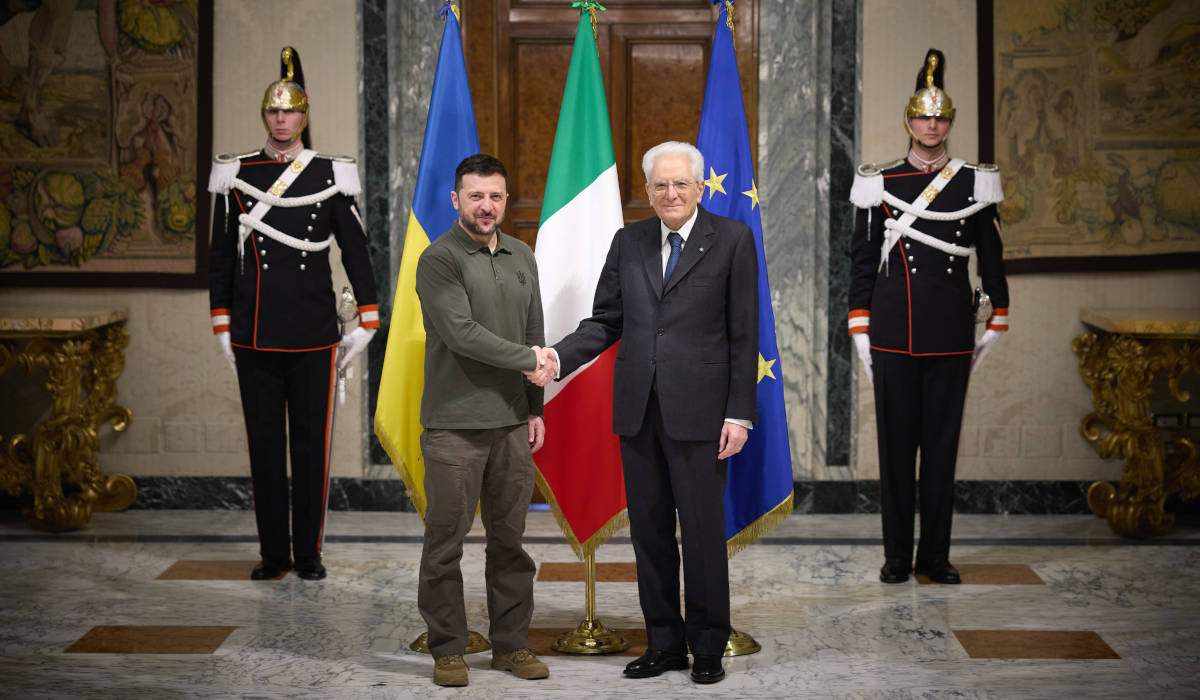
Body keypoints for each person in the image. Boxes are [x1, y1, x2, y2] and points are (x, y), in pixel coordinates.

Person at [531, 141, 758, 685]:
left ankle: (706, 644)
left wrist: (740, 413)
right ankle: (664, 644)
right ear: (649, 190)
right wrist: (559, 356)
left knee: (702, 534)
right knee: (650, 534)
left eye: (681, 184)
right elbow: (606, 320)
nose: (671, 194)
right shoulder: (628, 241)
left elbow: (745, 333)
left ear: (699, 188)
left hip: (704, 415)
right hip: (638, 412)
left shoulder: (731, 239)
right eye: (660, 185)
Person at [207, 47, 379, 582]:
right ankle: (273, 556)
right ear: (266, 117)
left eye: (291, 111)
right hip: (255, 332)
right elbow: (219, 256)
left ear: (304, 116)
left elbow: (355, 250)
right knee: (264, 450)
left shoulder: (332, 173)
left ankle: (308, 556)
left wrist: (369, 316)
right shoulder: (236, 174)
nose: (282, 119)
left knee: (310, 450)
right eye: (273, 112)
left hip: (312, 333)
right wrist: (222, 321)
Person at [847, 49, 1010, 586]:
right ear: (909, 121)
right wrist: (860, 323)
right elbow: (863, 259)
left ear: (949, 123)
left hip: (948, 332)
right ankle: (897, 557)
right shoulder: (880, 181)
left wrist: (998, 310)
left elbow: (991, 252)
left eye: (940, 117)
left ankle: (934, 558)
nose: (932, 125)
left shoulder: (974, 182)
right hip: (894, 333)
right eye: (923, 116)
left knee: (941, 454)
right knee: (896, 455)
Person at [413, 153, 550, 687]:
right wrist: (531, 361)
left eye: (495, 196)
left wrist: (535, 406)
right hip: (454, 426)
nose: (486, 206)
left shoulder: (522, 254)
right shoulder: (439, 259)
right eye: (475, 196)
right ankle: (448, 648)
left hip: (513, 423)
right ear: (456, 200)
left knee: (510, 544)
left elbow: (532, 329)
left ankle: (511, 646)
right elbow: (461, 333)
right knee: (445, 543)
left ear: (506, 199)